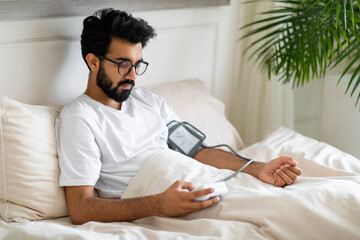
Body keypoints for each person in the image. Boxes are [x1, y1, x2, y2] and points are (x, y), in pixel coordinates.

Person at [56, 8, 302, 225]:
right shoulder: (80, 118)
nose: (132, 76)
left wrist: (257, 168)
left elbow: (198, 151)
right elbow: (80, 208)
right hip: (165, 202)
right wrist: (160, 204)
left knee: (294, 204)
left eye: (137, 64)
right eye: (123, 64)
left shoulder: (148, 101)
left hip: (204, 184)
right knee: (287, 215)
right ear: (93, 62)